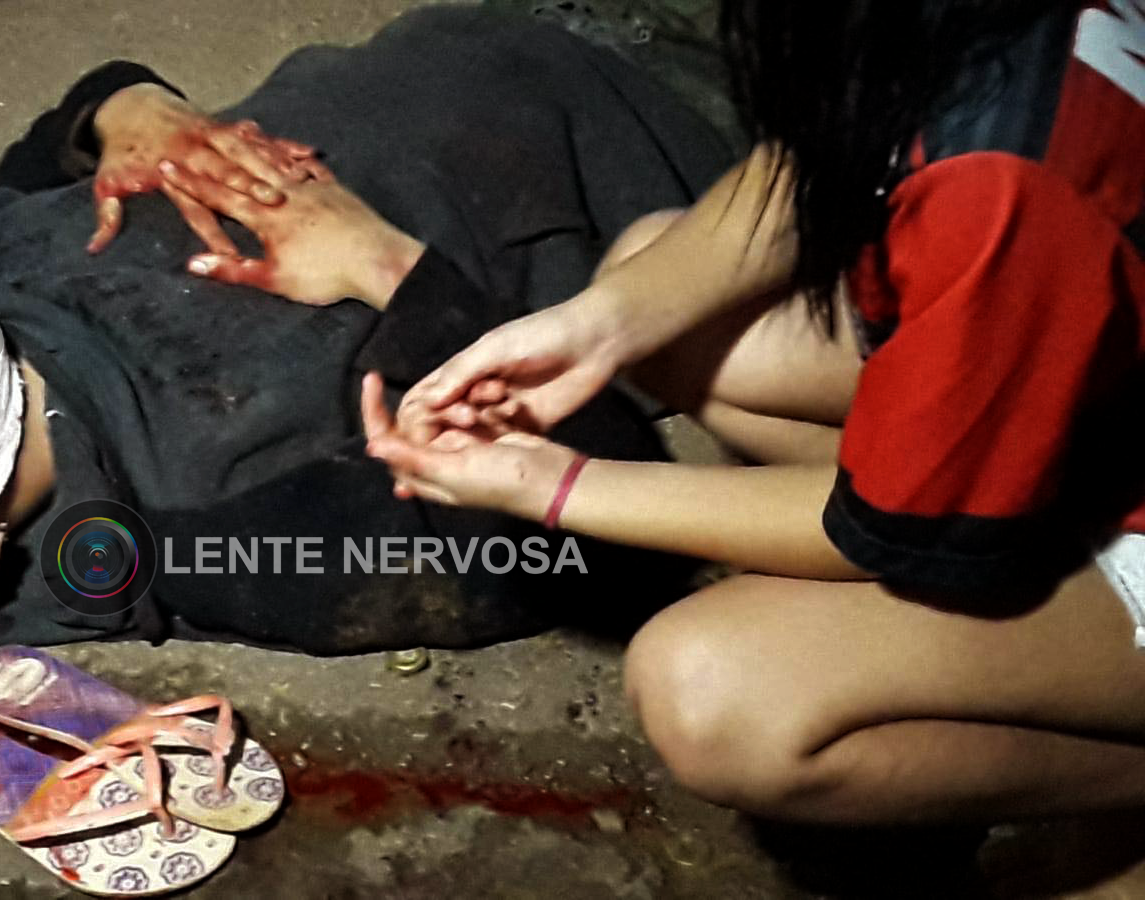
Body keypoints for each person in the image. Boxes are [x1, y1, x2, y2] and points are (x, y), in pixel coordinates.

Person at [0, 7, 731, 676]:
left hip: (484, 31)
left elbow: (22, 151)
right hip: (675, 131)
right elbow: (599, 543)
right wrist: (388, 268)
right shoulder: (228, 537)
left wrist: (123, 110)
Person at [340, 0, 1145, 824]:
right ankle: (941, 531)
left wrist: (552, 485)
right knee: (654, 271)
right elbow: (824, 149)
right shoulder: (944, 32)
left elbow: (878, 533)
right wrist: (598, 324)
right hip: (1094, 383)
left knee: (712, 693)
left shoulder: (1003, 189)